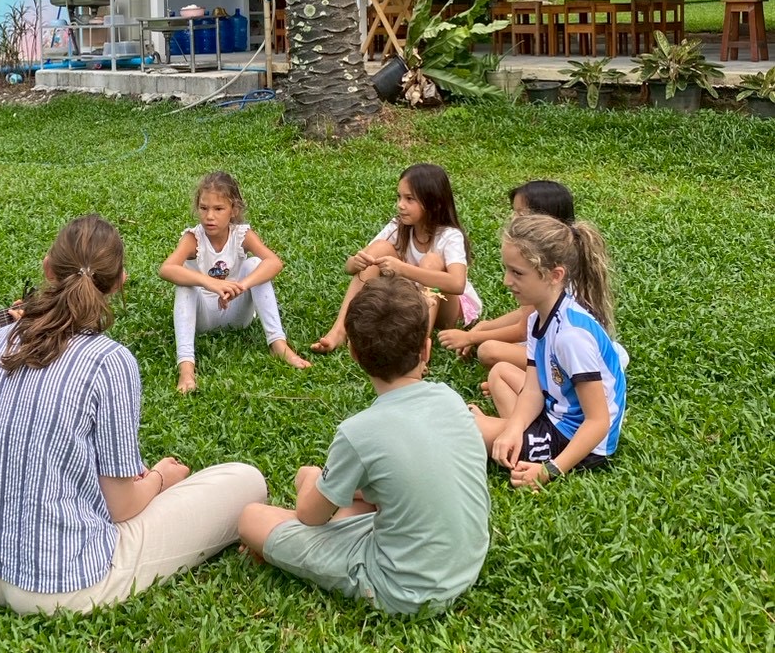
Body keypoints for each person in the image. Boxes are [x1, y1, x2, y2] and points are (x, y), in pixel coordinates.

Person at [0, 215, 267, 614]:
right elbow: (121, 507)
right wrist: (159, 478)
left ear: (48, 269)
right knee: (245, 480)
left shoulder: (0, 337)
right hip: (63, 583)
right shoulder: (110, 361)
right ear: (120, 281)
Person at [239, 275, 490, 615]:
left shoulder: (359, 432)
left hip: (402, 590)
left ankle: (278, 543)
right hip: (465, 568)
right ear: (426, 349)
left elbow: (309, 516)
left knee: (253, 517)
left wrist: (308, 480)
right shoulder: (451, 399)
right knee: (351, 498)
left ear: (354, 353)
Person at [470, 211, 627, 489]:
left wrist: (549, 470)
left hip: (581, 441)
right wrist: (514, 430)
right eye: (507, 269)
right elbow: (533, 389)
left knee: (462, 429)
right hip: (555, 411)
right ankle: (514, 437)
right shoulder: (536, 319)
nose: (507, 281)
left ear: (555, 275)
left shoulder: (571, 337)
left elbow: (598, 421)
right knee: (500, 373)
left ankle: (511, 438)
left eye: (517, 272)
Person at [159, 171, 310, 394]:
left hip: (237, 314)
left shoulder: (242, 235)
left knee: (255, 264)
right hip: (203, 317)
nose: (209, 216)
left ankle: (278, 344)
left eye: (218, 209)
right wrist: (210, 283)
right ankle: (186, 367)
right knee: (185, 285)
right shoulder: (193, 238)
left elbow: (275, 263)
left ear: (234, 210)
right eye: (203, 208)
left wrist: (242, 286)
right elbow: (166, 269)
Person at [311, 162, 480, 353]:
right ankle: (339, 330)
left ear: (434, 203)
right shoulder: (397, 227)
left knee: (431, 261)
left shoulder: (449, 236)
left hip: (447, 311)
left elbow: (457, 284)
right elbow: (351, 268)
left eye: (409, 199)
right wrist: (354, 262)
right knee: (380, 247)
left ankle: (419, 347)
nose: (400, 205)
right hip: (411, 303)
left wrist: (402, 268)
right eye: (399, 197)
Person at [438, 180, 576, 371]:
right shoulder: (559, 253)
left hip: (563, 354)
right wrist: (486, 326)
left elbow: (522, 331)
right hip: (551, 341)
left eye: (520, 214)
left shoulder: (549, 265)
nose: (512, 219)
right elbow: (527, 314)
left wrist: (471, 337)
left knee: (488, 351)